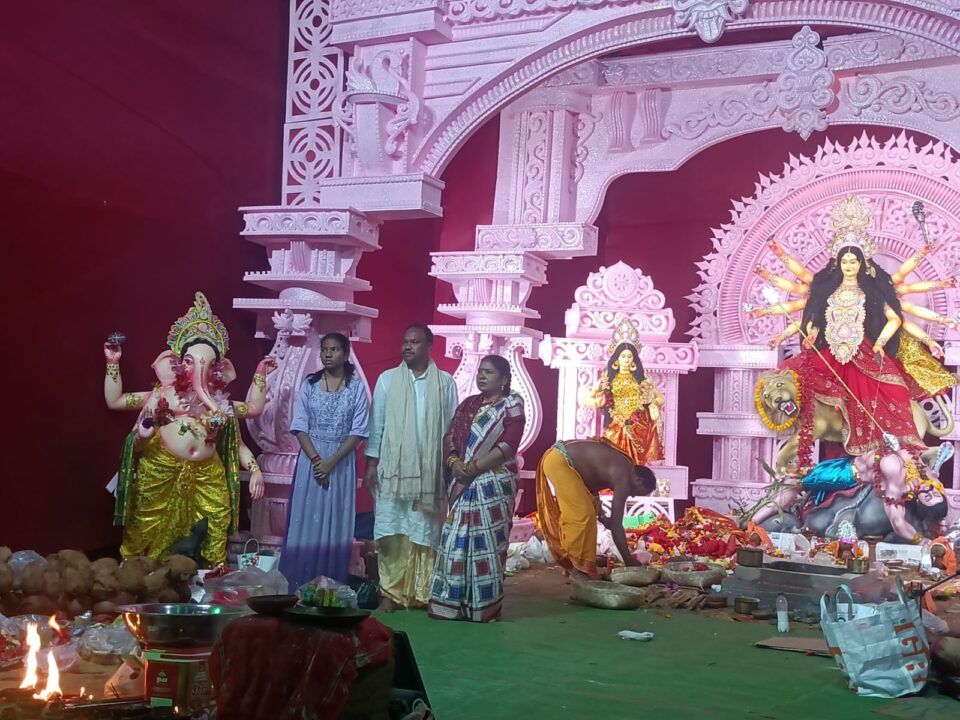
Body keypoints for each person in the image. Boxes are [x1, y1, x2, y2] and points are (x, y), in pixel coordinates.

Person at [749, 195, 957, 469]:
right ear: (838, 263)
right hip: (830, 355)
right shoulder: (826, 291)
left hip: (866, 353)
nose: (848, 265)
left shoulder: (872, 292)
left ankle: (913, 453)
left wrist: (880, 343)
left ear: (862, 264)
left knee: (895, 393)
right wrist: (811, 333)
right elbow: (813, 319)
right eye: (844, 261)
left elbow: (894, 319)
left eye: (853, 261)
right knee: (800, 390)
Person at [104, 292, 274, 566]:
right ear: (175, 363)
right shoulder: (162, 396)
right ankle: (142, 571)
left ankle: (206, 575)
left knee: (215, 521)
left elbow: (252, 412)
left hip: (208, 475)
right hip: (161, 470)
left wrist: (255, 471)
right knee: (148, 524)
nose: (198, 370)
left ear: (219, 369)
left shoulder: (221, 404)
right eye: (190, 362)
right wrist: (113, 364)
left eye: (207, 364)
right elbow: (116, 401)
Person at [365, 325, 458, 611]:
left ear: (429, 346)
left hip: (430, 473)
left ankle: (424, 592)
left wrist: (449, 466)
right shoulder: (387, 380)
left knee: (425, 530)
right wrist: (371, 462)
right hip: (394, 472)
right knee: (392, 529)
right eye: (405, 341)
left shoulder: (445, 383)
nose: (407, 347)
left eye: (415, 342)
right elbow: (377, 425)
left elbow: (451, 429)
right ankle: (390, 594)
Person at [428, 355, 525, 622]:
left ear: (504, 379)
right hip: (463, 480)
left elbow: (508, 446)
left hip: (493, 482)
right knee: (454, 540)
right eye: (480, 371)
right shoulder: (468, 405)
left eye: (489, 372)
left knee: (487, 546)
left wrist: (473, 467)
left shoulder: (512, 404)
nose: (482, 376)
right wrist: (454, 463)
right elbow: (450, 438)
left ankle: (482, 606)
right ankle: (450, 604)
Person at [280, 333, 369, 589]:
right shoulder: (309, 385)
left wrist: (332, 462)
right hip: (311, 462)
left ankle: (330, 587)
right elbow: (300, 426)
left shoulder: (356, 387)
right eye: (324, 349)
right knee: (306, 521)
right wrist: (318, 460)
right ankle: (298, 584)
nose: (328, 354)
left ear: (346, 354)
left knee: (335, 523)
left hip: (341, 463)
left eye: (334, 349)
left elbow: (359, 430)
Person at [535, 438, 656, 581]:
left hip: (563, 461)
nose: (632, 495)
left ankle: (578, 566)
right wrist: (628, 560)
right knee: (582, 514)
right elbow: (617, 525)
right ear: (638, 480)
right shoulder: (624, 476)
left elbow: (591, 486)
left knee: (589, 511)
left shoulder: (623, 466)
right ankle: (578, 570)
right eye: (637, 492)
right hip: (560, 461)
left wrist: (602, 515)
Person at [579, 316, 665, 465]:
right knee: (613, 460)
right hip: (616, 424)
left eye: (629, 356)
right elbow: (586, 398)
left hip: (638, 425)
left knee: (635, 464)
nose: (626, 359)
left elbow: (660, 397)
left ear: (634, 359)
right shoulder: (607, 378)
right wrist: (596, 402)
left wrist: (654, 404)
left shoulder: (642, 377)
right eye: (623, 356)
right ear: (617, 359)